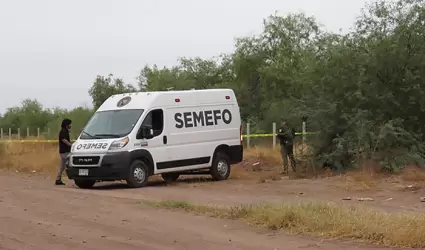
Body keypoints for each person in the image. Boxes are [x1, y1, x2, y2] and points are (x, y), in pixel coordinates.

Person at [55, 118, 72, 185]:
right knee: (70, 163)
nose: (70, 125)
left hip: (63, 151)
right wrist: (71, 145)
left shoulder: (65, 131)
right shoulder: (63, 131)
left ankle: (58, 179)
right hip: (64, 151)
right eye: (70, 124)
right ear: (67, 124)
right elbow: (64, 140)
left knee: (62, 166)